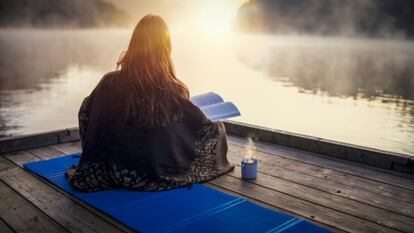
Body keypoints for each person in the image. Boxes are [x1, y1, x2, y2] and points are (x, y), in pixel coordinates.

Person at [65, 14, 234, 192]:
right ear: (165, 47)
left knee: (89, 105)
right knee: (215, 128)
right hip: (155, 168)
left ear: (134, 44)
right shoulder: (172, 88)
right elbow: (193, 126)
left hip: (114, 166)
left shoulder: (109, 82)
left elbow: (85, 112)